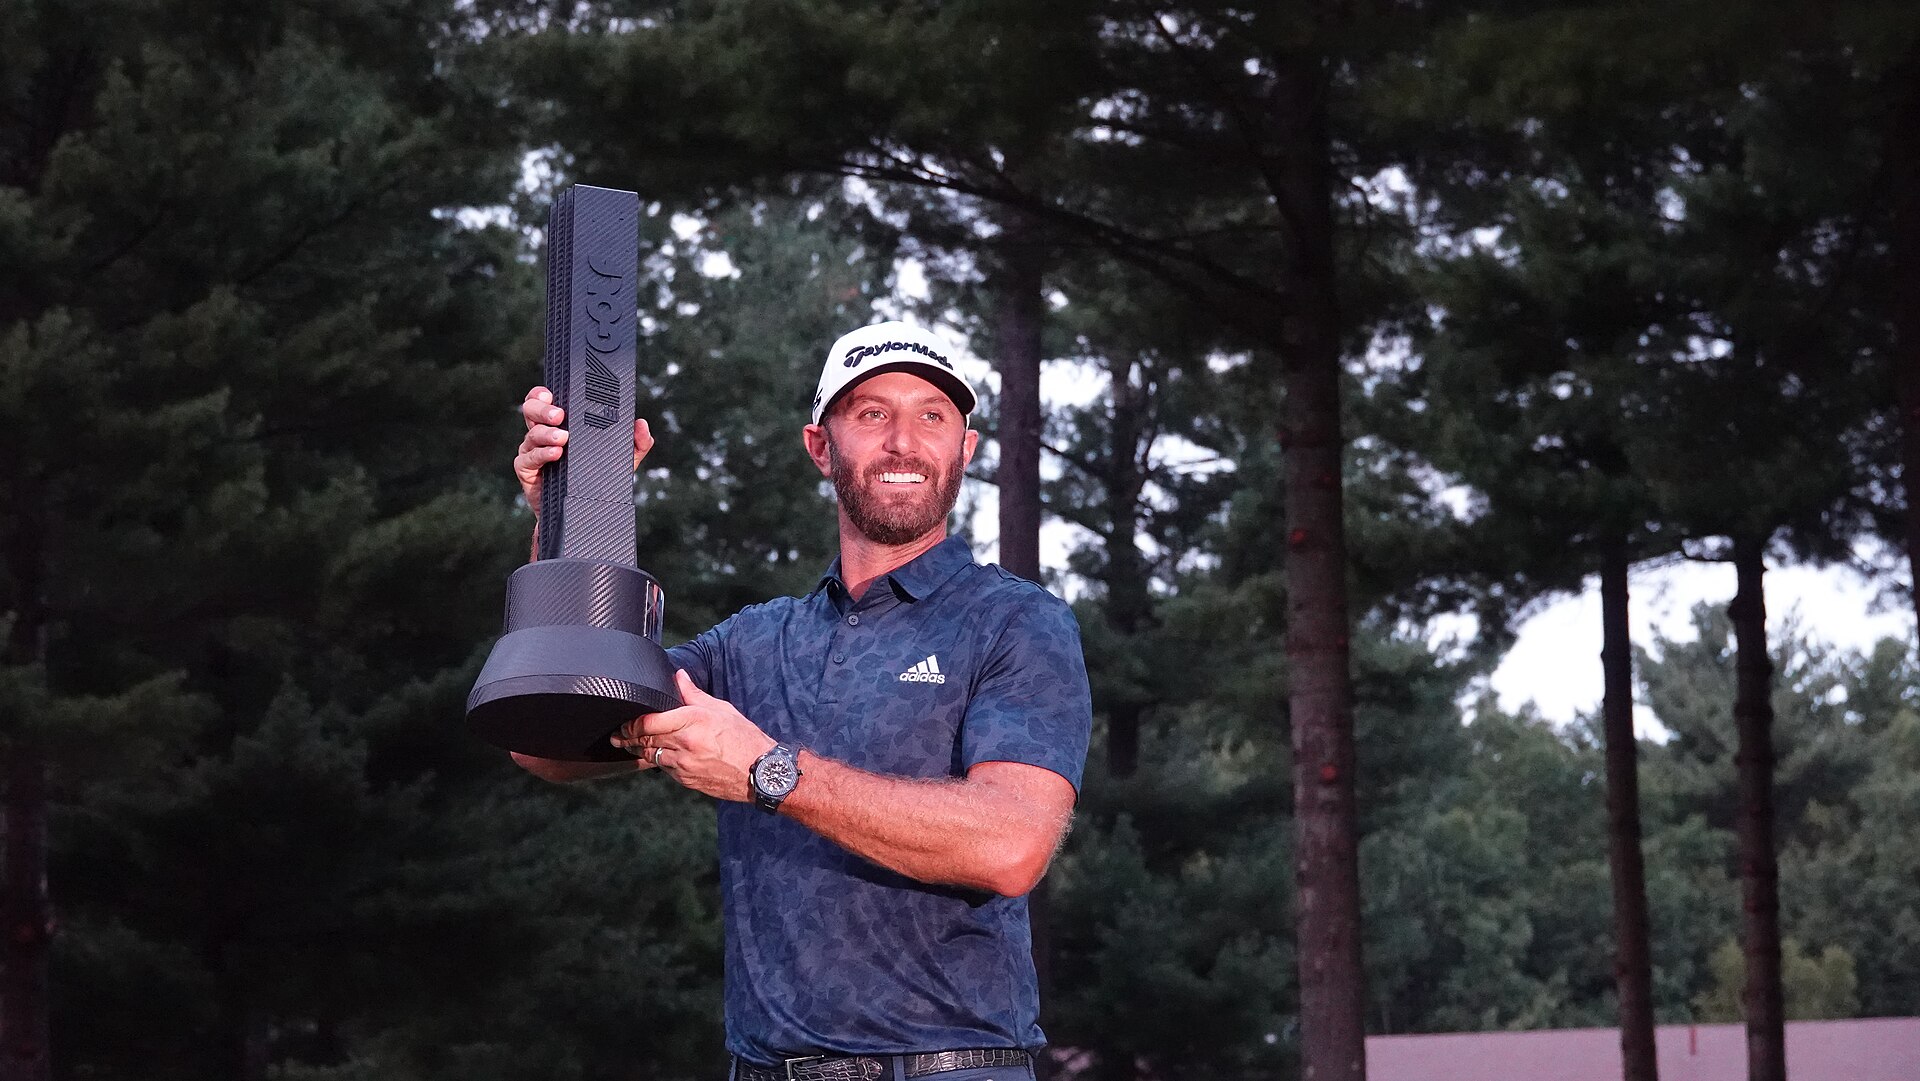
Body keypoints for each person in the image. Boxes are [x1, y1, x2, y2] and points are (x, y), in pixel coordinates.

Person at [507, 321, 1093, 1081]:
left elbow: (1010, 844)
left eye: (932, 416)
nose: (904, 442)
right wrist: (569, 518)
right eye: (873, 413)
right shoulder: (753, 643)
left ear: (966, 452)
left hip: (948, 1069)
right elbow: (548, 738)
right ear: (821, 446)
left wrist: (767, 770)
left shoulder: (1015, 621)